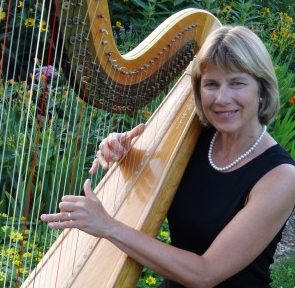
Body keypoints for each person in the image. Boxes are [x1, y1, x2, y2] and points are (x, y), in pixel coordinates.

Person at [41, 26, 295, 287]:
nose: (221, 98)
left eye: (237, 83)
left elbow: (204, 273)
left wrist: (108, 226)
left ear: (262, 89)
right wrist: (121, 151)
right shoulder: (193, 137)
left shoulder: (280, 177)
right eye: (211, 84)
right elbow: (140, 176)